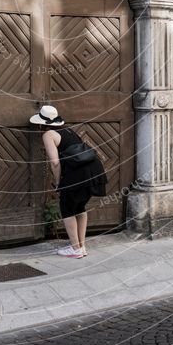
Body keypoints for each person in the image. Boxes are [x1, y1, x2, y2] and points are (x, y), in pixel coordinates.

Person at [30, 105, 107, 258]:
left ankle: (75, 249)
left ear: (41, 123)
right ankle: (81, 246)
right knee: (79, 207)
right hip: (94, 169)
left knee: (66, 208)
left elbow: (55, 162)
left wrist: (58, 183)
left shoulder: (48, 134)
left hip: (78, 173)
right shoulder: (68, 130)